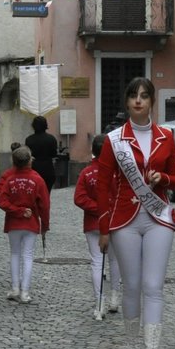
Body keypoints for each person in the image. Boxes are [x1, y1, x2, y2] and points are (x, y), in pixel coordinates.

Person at [96, 77, 175, 349]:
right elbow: (103, 186)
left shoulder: (166, 137)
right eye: (133, 95)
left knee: (153, 286)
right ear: (127, 101)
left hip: (158, 216)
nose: (138, 101)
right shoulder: (113, 140)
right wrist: (103, 228)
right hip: (124, 220)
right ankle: (131, 347)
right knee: (131, 286)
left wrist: (164, 179)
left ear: (152, 101)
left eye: (144, 96)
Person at [74, 133, 123, 320]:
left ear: (92, 151)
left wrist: (96, 208)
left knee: (96, 262)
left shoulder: (86, 172)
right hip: (113, 221)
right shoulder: (117, 173)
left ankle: (99, 303)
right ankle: (114, 300)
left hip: (93, 222)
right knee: (114, 261)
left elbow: (79, 198)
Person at [0, 145, 49, 303]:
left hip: (13, 223)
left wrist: (16, 210)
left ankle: (15, 288)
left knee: (15, 254)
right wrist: (45, 225)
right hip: (31, 223)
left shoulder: (10, 179)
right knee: (28, 256)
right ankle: (25, 292)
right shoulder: (37, 179)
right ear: (29, 161)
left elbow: (1, 200)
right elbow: (45, 205)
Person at [25, 115, 59, 192]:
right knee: (46, 194)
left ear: (33, 126)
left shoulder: (29, 139)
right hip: (48, 169)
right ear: (45, 125)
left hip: (34, 169)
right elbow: (54, 154)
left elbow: (28, 155)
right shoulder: (51, 139)